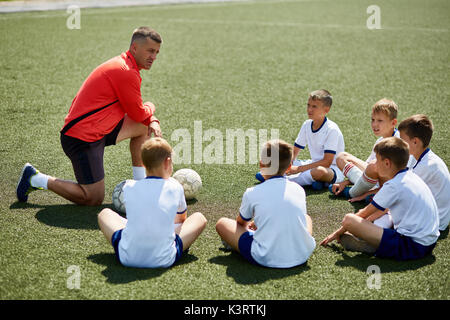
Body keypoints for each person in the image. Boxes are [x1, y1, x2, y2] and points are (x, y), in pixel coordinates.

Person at [17, 26, 163, 206]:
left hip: (99, 128)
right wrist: (152, 107)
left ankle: (141, 186)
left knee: (142, 126)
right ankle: (36, 178)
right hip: (81, 138)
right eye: (150, 51)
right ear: (134, 48)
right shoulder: (125, 71)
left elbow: (138, 115)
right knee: (92, 198)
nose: (154, 57)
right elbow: (138, 112)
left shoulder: (127, 65)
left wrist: (151, 119)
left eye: (156, 52)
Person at [321, 137, 440, 261]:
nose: (374, 164)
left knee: (349, 220)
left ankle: (372, 245)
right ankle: (371, 240)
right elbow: (379, 211)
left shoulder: (393, 185)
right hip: (429, 242)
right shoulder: (410, 176)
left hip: (412, 246)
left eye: (377, 160)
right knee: (377, 215)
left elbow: (363, 214)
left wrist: (337, 233)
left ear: (387, 163)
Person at [98, 137, 207, 268]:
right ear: (167, 163)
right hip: (164, 259)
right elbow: (180, 221)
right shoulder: (175, 187)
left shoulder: (129, 186)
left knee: (104, 214)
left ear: (143, 164)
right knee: (199, 218)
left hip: (127, 257)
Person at [216, 139, 316, 268]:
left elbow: (241, 223)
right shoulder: (299, 189)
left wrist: (259, 226)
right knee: (306, 218)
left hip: (266, 257)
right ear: (289, 167)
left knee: (222, 223)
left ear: (261, 164)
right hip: (302, 254)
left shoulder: (252, 192)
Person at [256, 89, 345, 190]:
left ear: (326, 110)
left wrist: (298, 169)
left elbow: (327, 162)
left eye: (314, 106)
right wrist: (288, 165)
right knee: (282, 161)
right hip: (313, 163)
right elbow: (295, 151)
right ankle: (315, 181)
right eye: (308, 105)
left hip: (333, 170)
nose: (309, 109)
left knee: (320, 171)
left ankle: (281, 180)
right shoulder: (307, 124)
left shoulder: (332, 129)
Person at [329, 98, 399, 201]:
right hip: (372, 181)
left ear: (393, 123)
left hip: (389, 186)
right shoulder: (380, 141)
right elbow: (366, 170)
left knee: (373, 166)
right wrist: (346, 182)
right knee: (341, 157)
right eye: (373, 120)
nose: (375, 124)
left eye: (380, 120)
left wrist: (361, 194)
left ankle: (352, 192)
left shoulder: (399, 143)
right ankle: (366, 192)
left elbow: (397, 179)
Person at [399, 114, 450, 232]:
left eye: (402, 141)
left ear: (415, 142)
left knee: (388, 212)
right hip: (435, 217)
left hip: (435, 223)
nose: (399, 144)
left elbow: (401, 195)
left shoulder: (428, 165)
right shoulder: (421, 157)